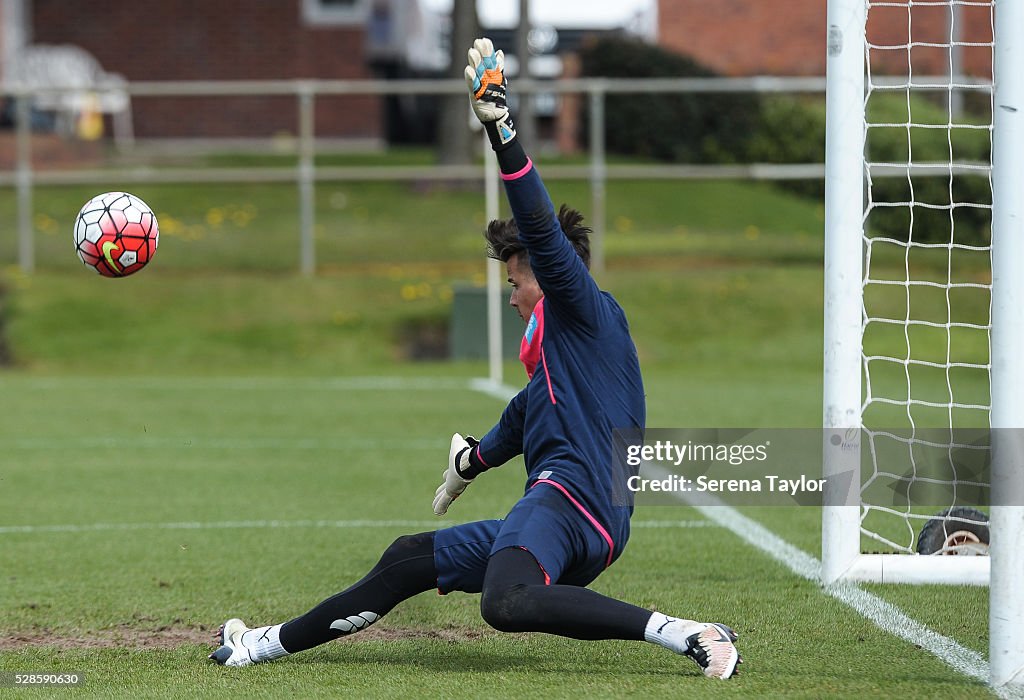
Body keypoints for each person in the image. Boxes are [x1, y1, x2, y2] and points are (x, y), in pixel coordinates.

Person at [209, 37, 742, 680]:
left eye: (515, 283)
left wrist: (502, 129)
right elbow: (526, 415)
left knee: (505, 601)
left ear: (549, 276)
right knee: (409, 557)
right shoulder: (558, 350)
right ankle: (259, 645)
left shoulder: (582, 307)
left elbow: (541, 229)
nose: (511, 297)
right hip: (566, 510)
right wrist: (473, 460)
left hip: (576, 500)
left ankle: (686, 632)